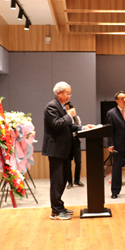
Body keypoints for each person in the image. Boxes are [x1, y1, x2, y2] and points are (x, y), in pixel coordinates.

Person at [43, 82, 88, 220]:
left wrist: (83, 127)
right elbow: (56, 124)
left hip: (64, 150)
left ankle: (60, 206)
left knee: (62, 180)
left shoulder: (61, 107)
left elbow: (68, 127)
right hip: (56, 150)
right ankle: (56, 211)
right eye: (67, 93)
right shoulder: (51, 106)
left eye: (70, 94)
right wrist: (69, 116)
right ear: (59, 93)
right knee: (57, 181)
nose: (69, 96)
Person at [63, 102, 84, 188]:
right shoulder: (64, 118)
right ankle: (70, 182)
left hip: (76, 140)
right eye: (66, 109)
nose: (67, 110)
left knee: (78, 161)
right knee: (68, 162)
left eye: (68, 109)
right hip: (67, 142)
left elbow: (79, 127)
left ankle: (77, 180)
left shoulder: (76, 118)